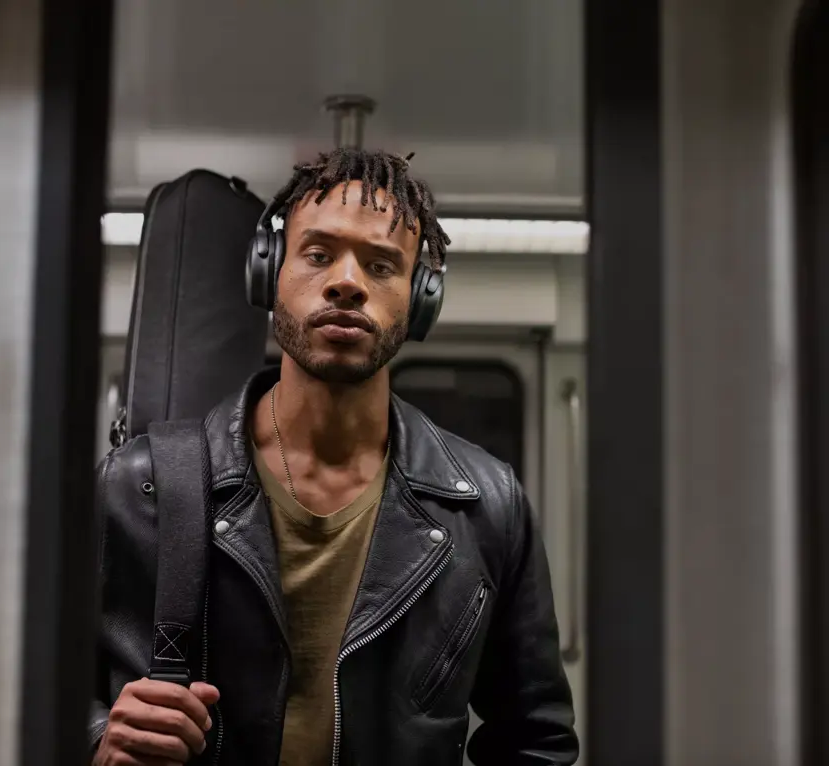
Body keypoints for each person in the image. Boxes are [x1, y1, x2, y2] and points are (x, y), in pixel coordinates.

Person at [90, 149, 579, 766]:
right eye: (318, 254)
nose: (347, 282)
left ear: (419, 299)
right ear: (269, 274)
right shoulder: (141, 486)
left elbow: (535, 740)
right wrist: (98, 743)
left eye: (381, 265)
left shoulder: (486, 505)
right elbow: (49, 691)